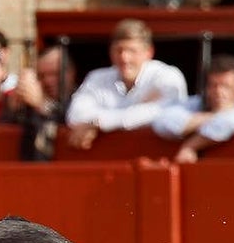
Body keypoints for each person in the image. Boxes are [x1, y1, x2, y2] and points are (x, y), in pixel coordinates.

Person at [65, 17, 187, 150]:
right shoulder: (97, 77)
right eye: (118, 50)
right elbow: (75, 115)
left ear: (149, 52)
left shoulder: (167, 76)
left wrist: (97, 123)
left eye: (132, 51)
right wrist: (139, 108)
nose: (124, 58)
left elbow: (164, 114)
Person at [152, 53, 234, 162]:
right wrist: (212, 116)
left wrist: (190, 146)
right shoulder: (196, 102)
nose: (218, 91)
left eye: (226, 86)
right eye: (213, 85)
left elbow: (228, 122)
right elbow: (163, 122)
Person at [11, 43, 76, 160]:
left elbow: (67, 118)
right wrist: (14, 106)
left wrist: (41, 105)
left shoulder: (83, 98)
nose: (47, 81)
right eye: (41, 76)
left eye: (54, 74)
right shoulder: (30, 104)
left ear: (71, 73)